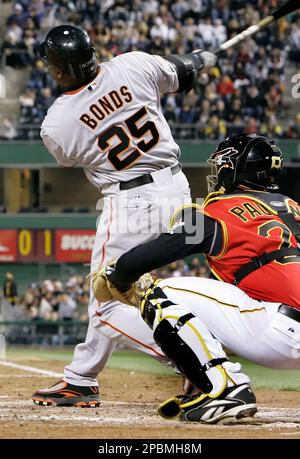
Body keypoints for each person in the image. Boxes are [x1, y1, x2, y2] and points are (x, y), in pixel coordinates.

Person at [32, 24, 217, 407]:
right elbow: (178, 76)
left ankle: (196, 360)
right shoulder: (134, 64)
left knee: (107, 304)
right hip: (178, 189)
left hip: (132, 202)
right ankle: (81, 377)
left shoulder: (57, 122)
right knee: (120, 288)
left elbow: (69, 155)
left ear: (60, 70)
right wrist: (195, 62)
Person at [97, 134, 300, 423]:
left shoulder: (214, 208)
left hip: (282, 331)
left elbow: (152, 254)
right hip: (281, 319)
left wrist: (118, 274)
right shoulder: (293, 207)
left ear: (233, 169)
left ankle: (225, 388)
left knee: (159, 291)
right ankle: (205, 375)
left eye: (222, 167)